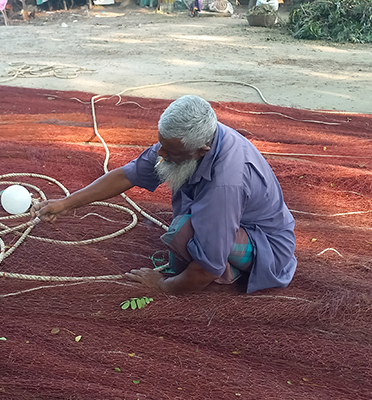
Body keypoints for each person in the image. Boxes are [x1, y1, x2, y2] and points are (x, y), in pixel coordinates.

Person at [31, 95, 296, 294]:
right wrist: (66, 204)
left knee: (183, 230)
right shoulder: (184, 139)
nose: (160, 155)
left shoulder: (225, 186)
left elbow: (207, 268)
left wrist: (163, 285)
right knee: (192, 229)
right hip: (234, 220)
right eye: (161, 145)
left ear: (201, 150)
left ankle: (237, 267)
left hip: (268, 248)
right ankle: (223, 251)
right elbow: (126, 175)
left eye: (170, 152)